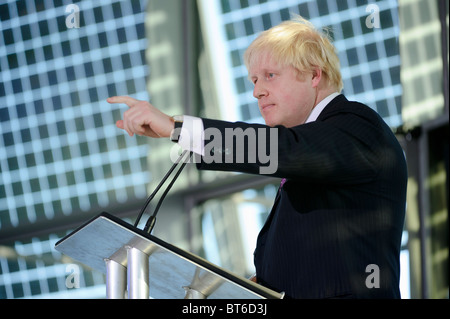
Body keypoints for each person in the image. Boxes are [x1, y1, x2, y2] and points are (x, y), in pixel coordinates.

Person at [107, 16, 407, 299]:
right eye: (253, 80)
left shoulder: (358, 126)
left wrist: (177, 128)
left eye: (270, 76)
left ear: (315, 74)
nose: (257, 92)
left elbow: (279, 149)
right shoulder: (311, 156)